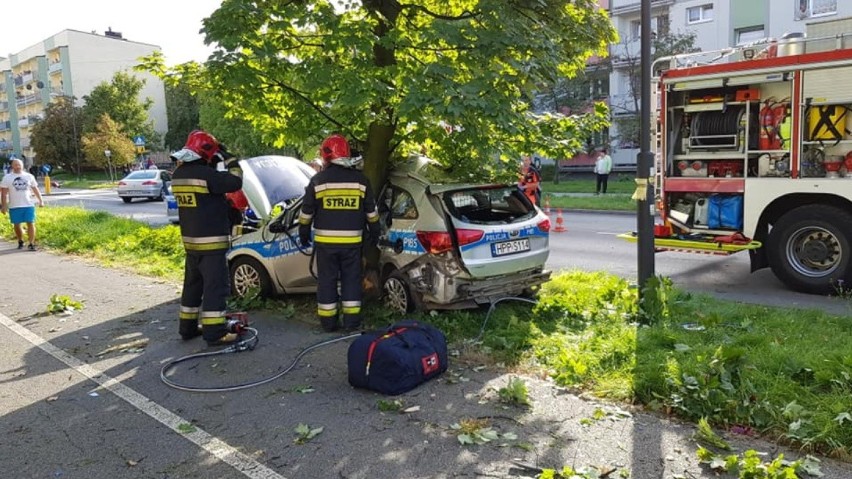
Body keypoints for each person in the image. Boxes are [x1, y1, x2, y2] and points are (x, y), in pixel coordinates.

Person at [299, 134, 380, 332]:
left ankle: (328, 323)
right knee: (351, 281)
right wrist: (374, 234)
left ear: (326, 155)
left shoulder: (318, 181)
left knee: (327, 281)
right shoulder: (361, 181)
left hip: (326, 245)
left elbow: (306, 213)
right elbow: (372, 214)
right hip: (352, 243)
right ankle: (352, 323)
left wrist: (303, 234)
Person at [170, 130, 243, 346]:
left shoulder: (178, 175)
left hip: (191, 243)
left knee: (192, 286)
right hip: (212, 244)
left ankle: (187, 327)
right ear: (208, 153)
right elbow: (235, 182)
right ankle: (214, 332)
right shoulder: (207, 176)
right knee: (215, 288)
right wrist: (230, 159)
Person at [0, 158, 45, 251]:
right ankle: (20, 240)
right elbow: (3, 193)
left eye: (19, 164)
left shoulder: (29, 176)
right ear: (12, 166)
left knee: (31, 223)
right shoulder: (7, 178)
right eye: (15, 164)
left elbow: (35, 189)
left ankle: (31, 243)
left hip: (28, 204)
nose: (17, 166)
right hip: (14, 205)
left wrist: (41, 200)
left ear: (22, 165)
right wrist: (3, 206)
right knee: (17, 224)